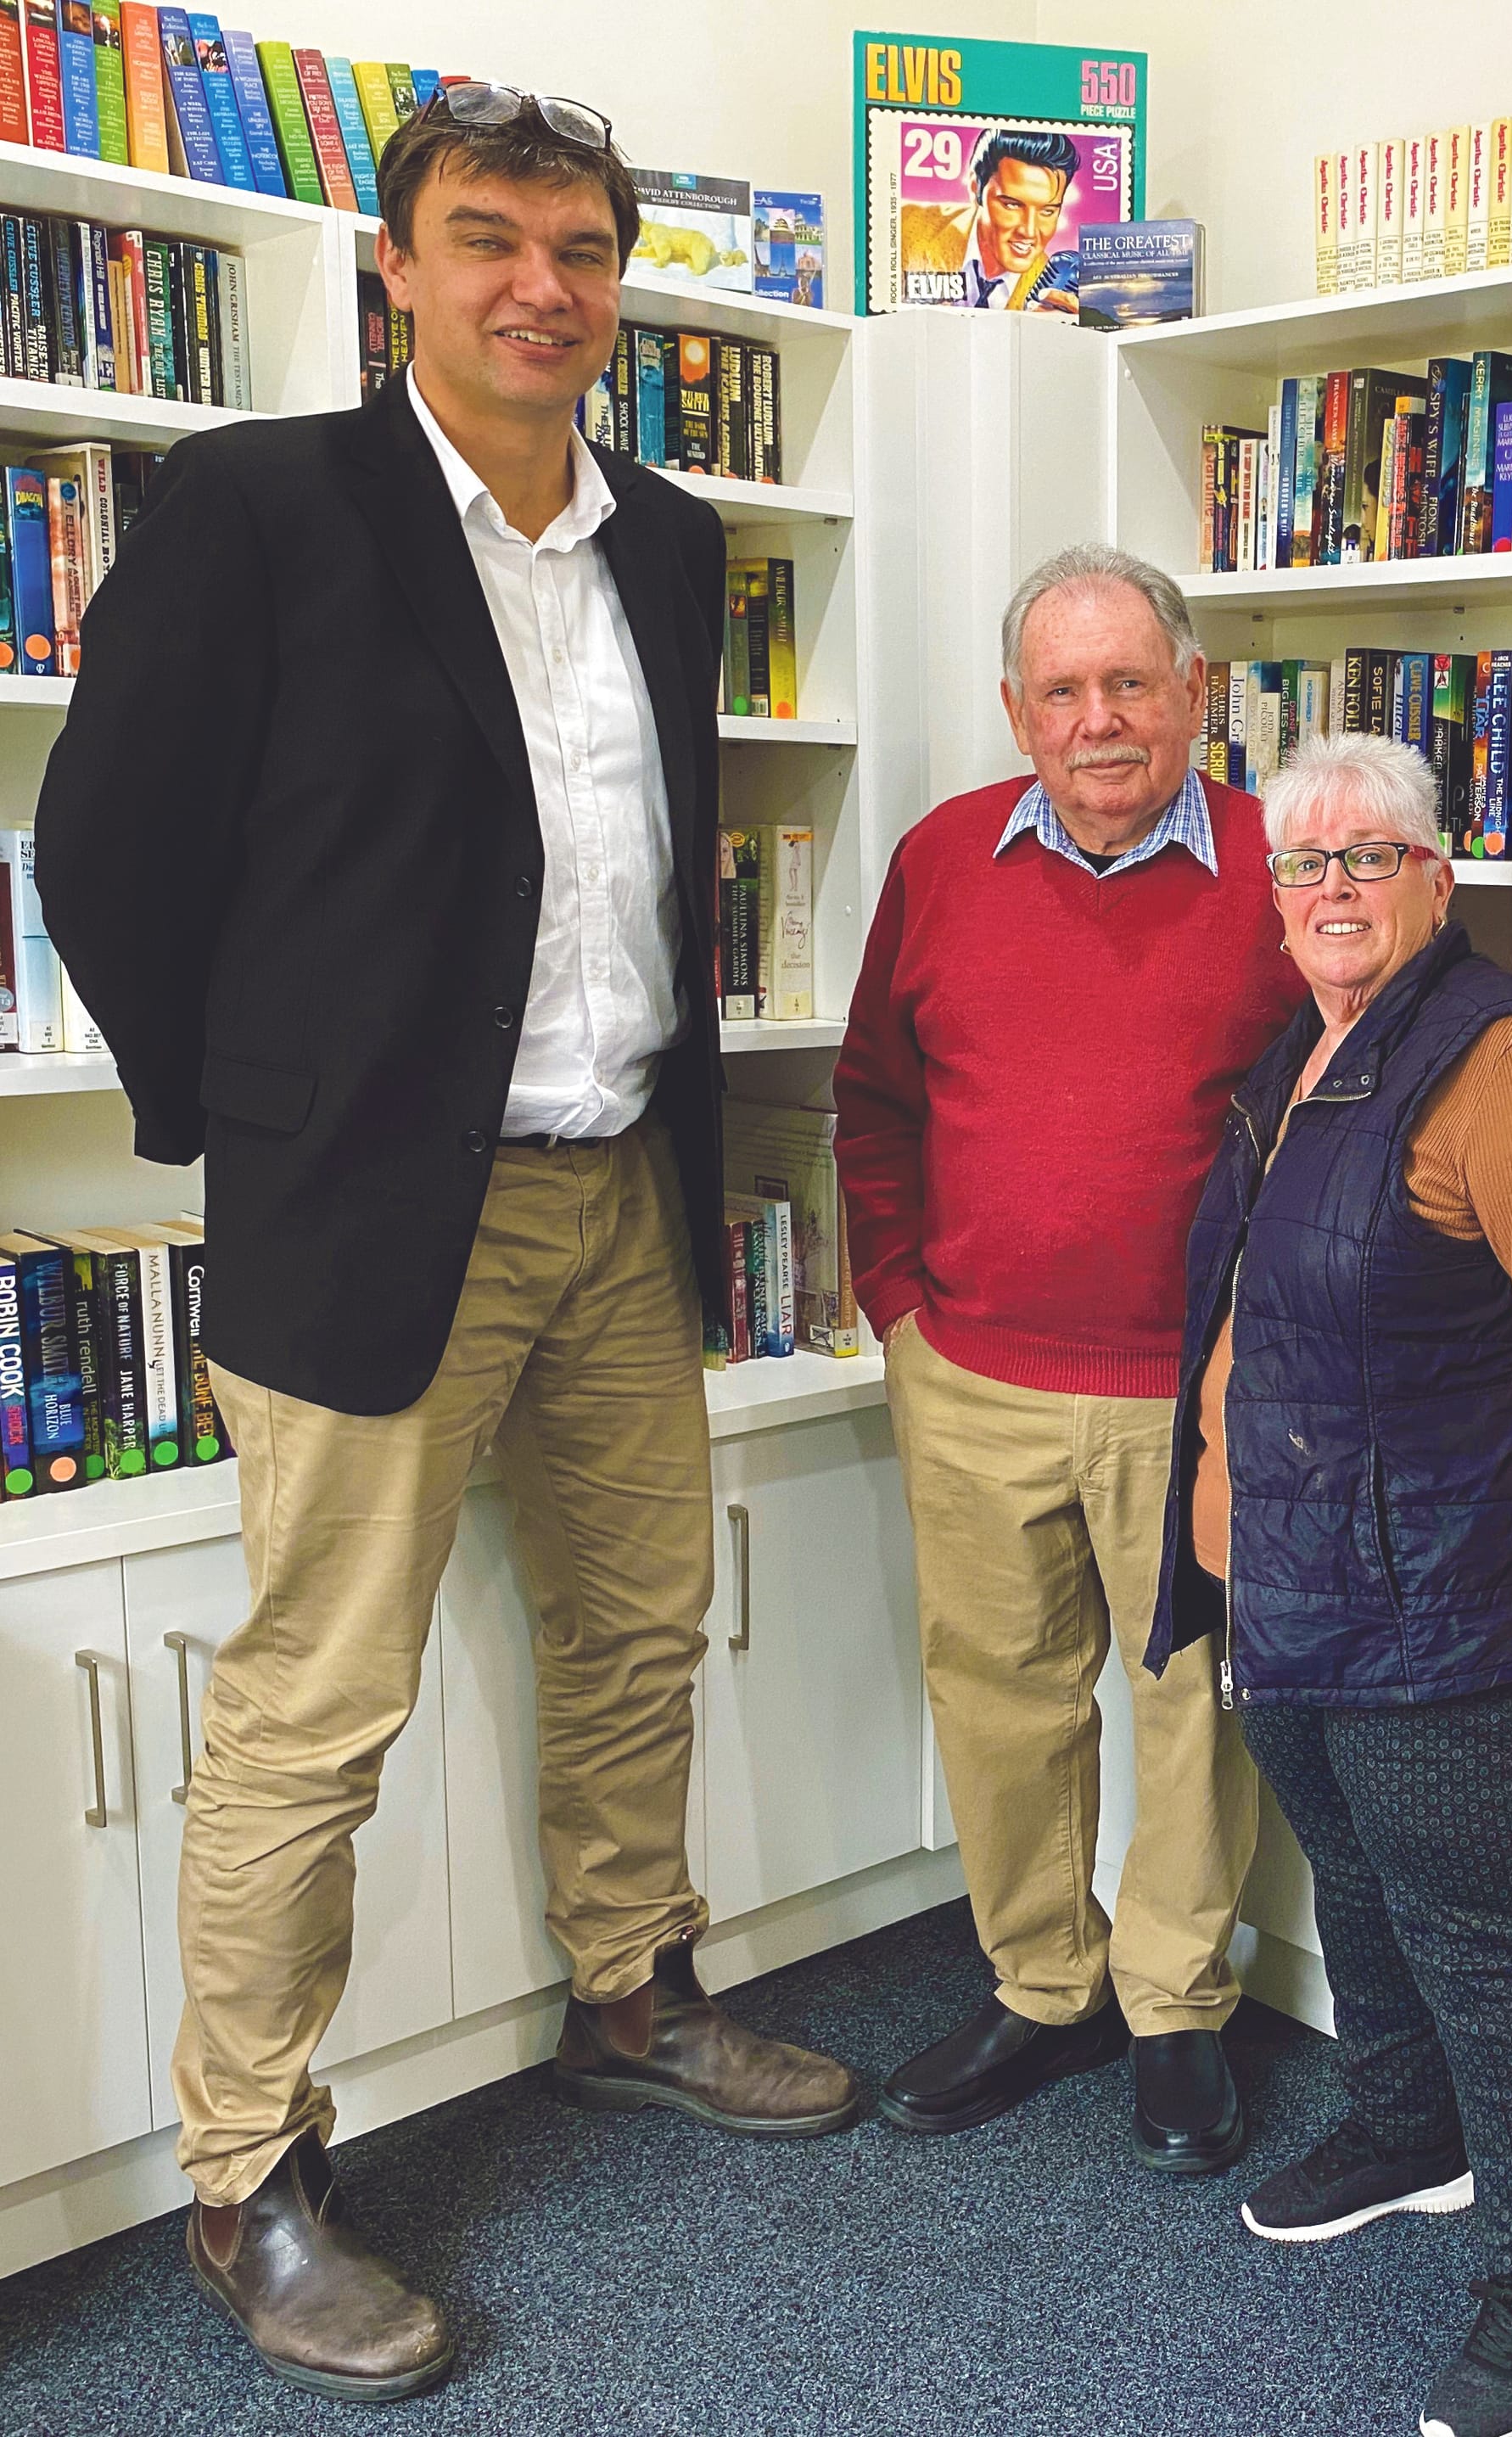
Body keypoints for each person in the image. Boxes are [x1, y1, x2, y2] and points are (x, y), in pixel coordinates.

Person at [33, 85, 855, 2405]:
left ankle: (631, 1993)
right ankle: (246, 2172)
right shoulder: (263, 506)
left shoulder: (672, 540)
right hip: (375, 1203)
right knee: (314, 1713)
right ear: (394, 267)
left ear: (618, 284)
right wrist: (241, 1118)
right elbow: (106, 845)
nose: (540, 287)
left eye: (581, 249)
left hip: (620, 1182)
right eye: (486, 238)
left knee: (631, 1633)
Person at [1145, 732, 1512, 2437]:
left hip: (1448, 1600)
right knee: (1359, 1879)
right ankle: (1408, 2124)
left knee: (1489, 1938)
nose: (1332, 890)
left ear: (1437, 876)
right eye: (1303, 865)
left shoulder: (1506, 1065)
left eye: (1368, 855)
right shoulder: (1311, 1045)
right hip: (1292, 1582)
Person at [835, 546, 1307, 2162]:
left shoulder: (1282, 865)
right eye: (1063, 690)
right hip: (971, 1373)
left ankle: (1178, 2005)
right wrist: (900, 1301)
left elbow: (1354, 1106)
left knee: (1191, 1702)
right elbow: (875, 1103)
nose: (1099, 720)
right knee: (1000, 1694)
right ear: (1018, 710)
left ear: (1194, 691)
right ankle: (1046, 1986)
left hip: (1194, 1391)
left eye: (1130, 684)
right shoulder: (944, 857)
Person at [899, 126, 1082, 311]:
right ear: (974, 188)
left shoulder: (1053, 293)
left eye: (1047, 211)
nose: (1028, 231)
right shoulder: (904, 226)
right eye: (1012, 205)